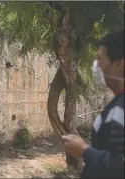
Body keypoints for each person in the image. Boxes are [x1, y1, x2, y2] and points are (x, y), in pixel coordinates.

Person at [61, 31, 124, 178]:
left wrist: (84, 151)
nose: (97, 65)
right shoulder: (117, 103)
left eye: (100, 59)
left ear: (119, 64)